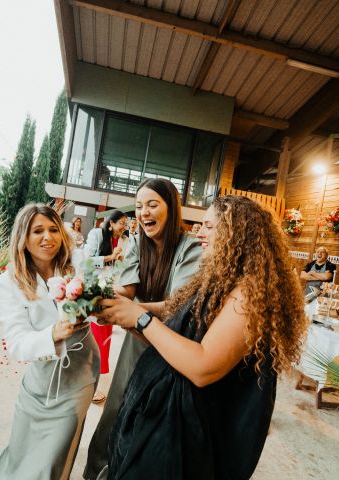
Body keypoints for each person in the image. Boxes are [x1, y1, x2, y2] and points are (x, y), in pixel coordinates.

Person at [96, 195, 308, 479]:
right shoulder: (218, 280)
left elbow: (203, 367)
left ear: (236, 234)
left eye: (209, 226)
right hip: (163, 422)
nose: (199, 231)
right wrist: (129, 315)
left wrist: (141, 319)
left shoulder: (250, 296)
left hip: (189, 436)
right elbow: (174, 339)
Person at [83, 178, 202, 480]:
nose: (143, 212)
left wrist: (136, 311)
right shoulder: (137, 242)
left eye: (152, 205)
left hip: (172, 343)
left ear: (171, 208)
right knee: (116, 408)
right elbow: (128, 288)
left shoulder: (190, 249)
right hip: (138, 339)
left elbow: (178, 305)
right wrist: (102, 300)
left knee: (153, 417)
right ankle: (97, 472)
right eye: (138, 207)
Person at [0, 204, 100, 480]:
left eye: (53, 229)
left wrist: (94, 309)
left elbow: (100, 309)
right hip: (39, 379)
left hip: (80, 372)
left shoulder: (77, 262)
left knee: (54, 457)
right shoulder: (9, 280)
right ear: (23, 237)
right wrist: (51, 334)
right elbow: (16, 342)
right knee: (20, 451)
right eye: (37, 230)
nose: (47, 237)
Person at [83, 210, 129, 403]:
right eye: (122, 224)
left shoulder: (124, 241)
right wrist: (110, 257)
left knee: (105, 338)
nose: (124, 228)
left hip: (108, 291)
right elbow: (86, 262)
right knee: (94, 337)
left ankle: (93, 381)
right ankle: (88, 386)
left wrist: (118, 261)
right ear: (110, 223)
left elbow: (117, 269)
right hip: (92, 292)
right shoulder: (96, 234)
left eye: (126, 224)